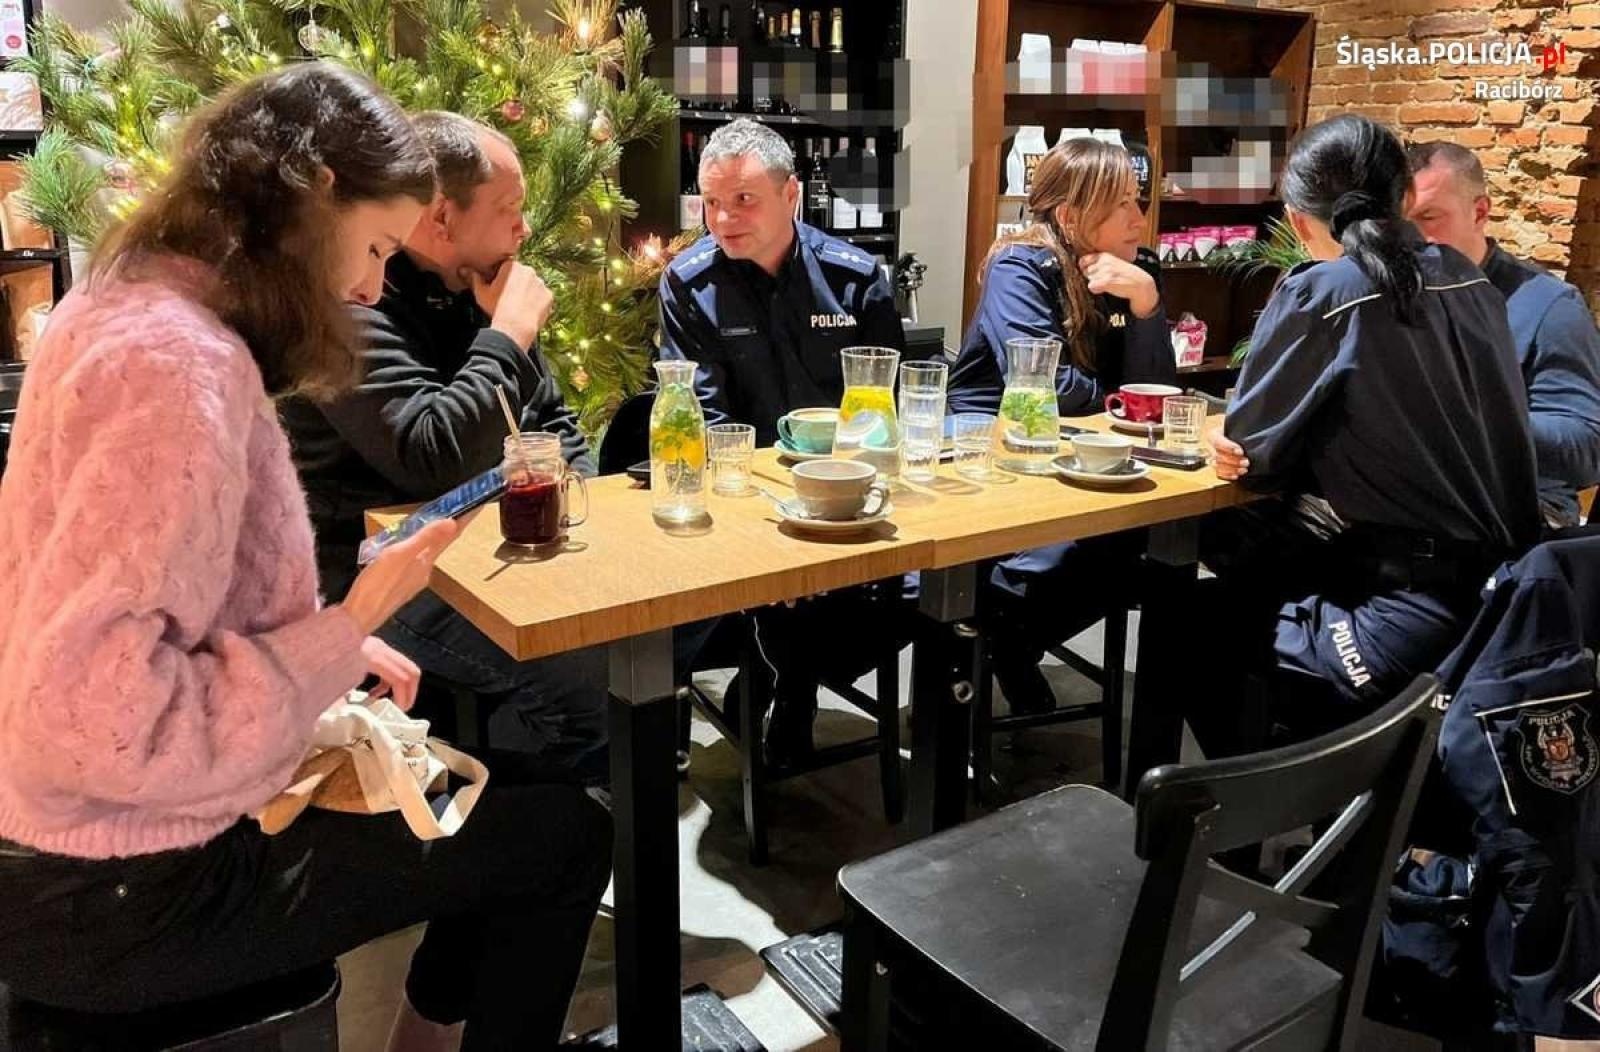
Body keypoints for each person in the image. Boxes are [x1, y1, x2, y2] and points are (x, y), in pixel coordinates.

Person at [0, 65, 611, 1052]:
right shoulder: (175, 368)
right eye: (372, 246)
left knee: (486, 801)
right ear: (315, 193)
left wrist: (320, 680)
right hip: (126, 891)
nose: (372, 284)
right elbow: (100, 718)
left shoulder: (120, 307)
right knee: (564, 836)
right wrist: (348, 624)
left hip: (71, 855)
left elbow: (107, 617)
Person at [1198, 114, 1541, 752]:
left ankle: (1244, 833)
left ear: (1299, 223)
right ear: (1406, 197)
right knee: (1250, 570)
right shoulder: (1476, 283)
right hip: (1499, 601)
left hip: (1405, 609)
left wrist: (1224, 433)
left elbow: (1253, 453)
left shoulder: (1324, 290)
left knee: (1191, 626)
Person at [283, 111, 608, 783]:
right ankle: (523, 840)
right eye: (509, 209)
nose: (523, 229)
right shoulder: (350, 301)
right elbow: (432, 454)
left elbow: (551, 418)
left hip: (491, 547)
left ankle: (555, 819)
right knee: (596, 685)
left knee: (646, 627)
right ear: (440, 218)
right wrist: (509, 334)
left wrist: (582, 500)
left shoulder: (476, 285)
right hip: (379, 572)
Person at [657, 118, 914, 763]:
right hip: (743, 497)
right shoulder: (690, 286)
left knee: (926, 587)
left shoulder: (854, 281)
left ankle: (783, 675)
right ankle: (787, 681)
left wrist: (832, 516)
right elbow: (708, 424)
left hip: (849, 494)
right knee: (782, 589)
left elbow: (883, 418)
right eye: (711, 202)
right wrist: (779, 532)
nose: (723, 218)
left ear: (791, 195)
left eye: (744, 200)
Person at [947, 137, 1175, 713]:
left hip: (1083, 442)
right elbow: (1041, 385)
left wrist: (1147, 307)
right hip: (989, 433)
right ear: (1071, 215)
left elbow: (1157, 394)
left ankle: (1010, 632)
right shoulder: (1019, 263)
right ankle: (1002, 631)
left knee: (1138, 539)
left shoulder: (1134, 273)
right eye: (1121, 203)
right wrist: (1118, 402)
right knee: (1068, 543)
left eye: (1137, 199)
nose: (1138, 217)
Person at [1405, 140, 1600, 528]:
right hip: (1404, 501)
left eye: (1428, 217)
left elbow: (1588, 448)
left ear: (1479, 212)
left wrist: (1469, 420)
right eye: (1401, 222)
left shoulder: (1548, 305)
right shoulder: (1385, 293)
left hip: (1518, 515)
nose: (1411, 238)